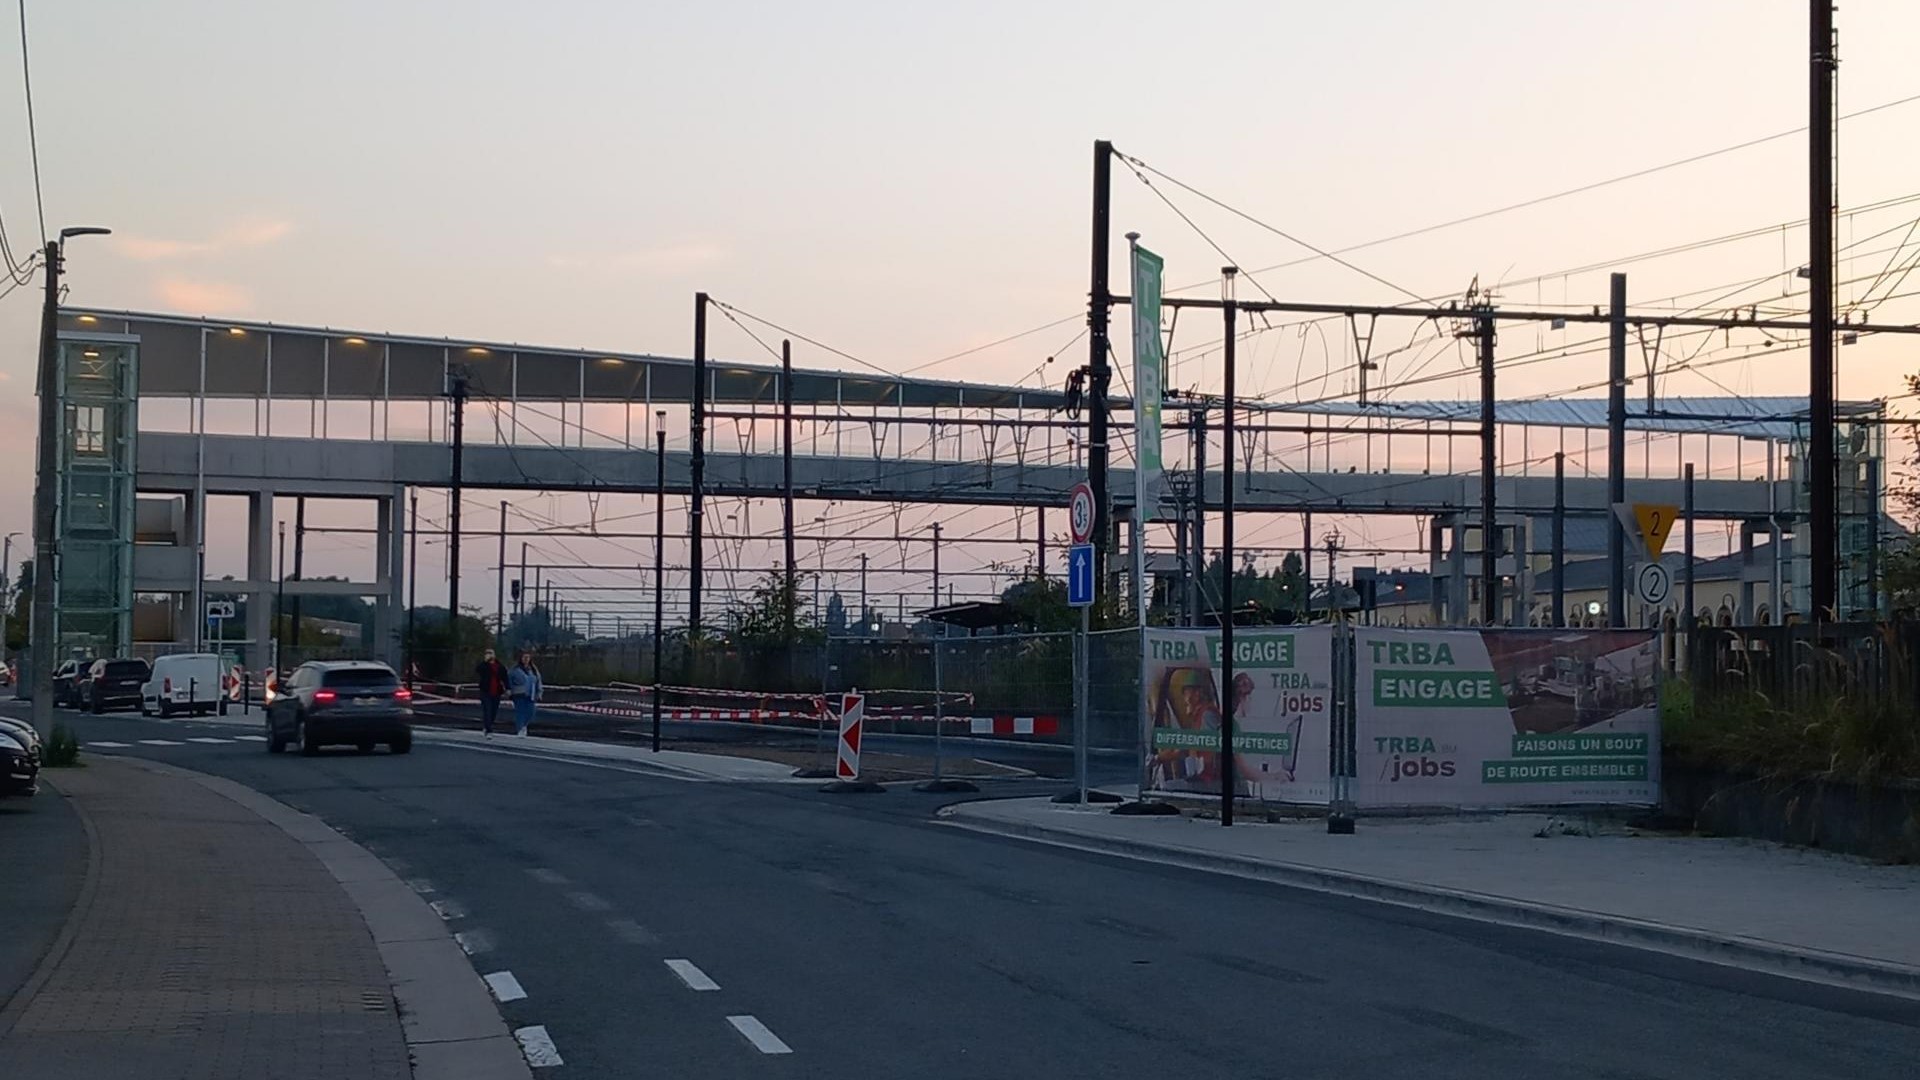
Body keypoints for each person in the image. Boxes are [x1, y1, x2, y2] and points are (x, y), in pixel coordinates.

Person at [474, 649, 509, 739]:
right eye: (487, 653)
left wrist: (508, 688)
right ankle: (489, 730)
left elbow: (505, 677)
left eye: (490, 653)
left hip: (497, 691)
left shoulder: (500, 666)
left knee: (494, 711)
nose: (489, 655)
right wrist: (485, 662)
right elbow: (478, 670)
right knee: (487, 710)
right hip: (486, 691)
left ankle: (487, 725)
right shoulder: (484, 666)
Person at [507, 651, 542, 736]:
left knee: (531, 712)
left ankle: (524, 726)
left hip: (531, 694)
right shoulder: (514, 670)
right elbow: (508, 680)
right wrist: (509, 690)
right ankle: (520, 729)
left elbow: (538, 682)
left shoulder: (533, 670)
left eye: (528, 657)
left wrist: (539, 692)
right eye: (524, 657)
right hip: (519, 694)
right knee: (520, 712)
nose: (526, 659)